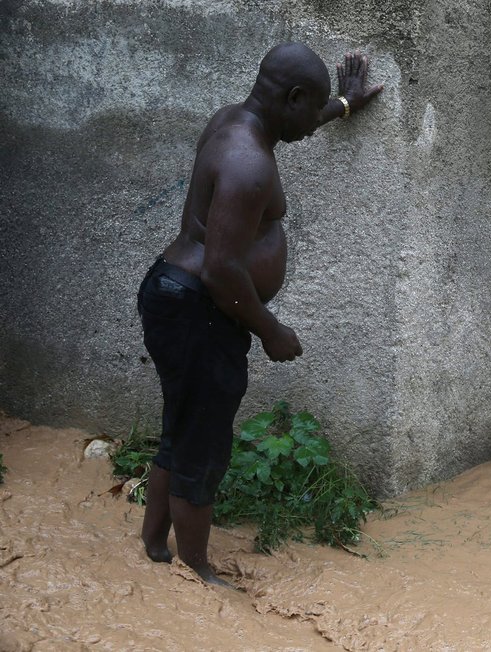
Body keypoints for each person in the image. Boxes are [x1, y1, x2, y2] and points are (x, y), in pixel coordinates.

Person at [135, 42, 383, 587]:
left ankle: (155, 546)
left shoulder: (234, 122)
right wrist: (272, 332)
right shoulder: (250, 163)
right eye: (310, 108)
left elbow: (300, 121)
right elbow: (223, 269)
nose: (312, 124)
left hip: (174, 294)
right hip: (202, 308)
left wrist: (343, 103)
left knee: (182, 427)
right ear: (292, 98)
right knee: (204, 445)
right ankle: (197, 571)